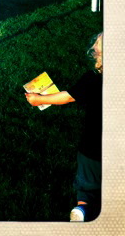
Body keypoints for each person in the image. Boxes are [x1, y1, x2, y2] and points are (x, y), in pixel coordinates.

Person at [25, 32, 103, 222]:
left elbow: (67, 96)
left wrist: (39, 99)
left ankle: (82, 209)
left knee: (88, 185)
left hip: (92, 146)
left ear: (97, 53)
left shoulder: (92, 79)